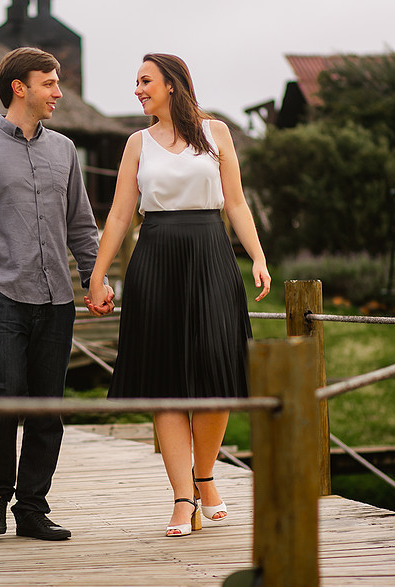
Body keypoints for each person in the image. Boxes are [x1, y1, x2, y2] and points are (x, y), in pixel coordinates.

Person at [85, 53, 271, 537]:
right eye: (136, 82)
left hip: (211, 254)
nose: (137, 89)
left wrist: (258, 257)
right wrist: (98, 276)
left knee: (216, 373)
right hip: (156, 258)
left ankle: (205, 477)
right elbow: (120, 213)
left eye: (145, 80)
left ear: (172, 84)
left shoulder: (217, 133)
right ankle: (182, 497)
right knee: (165, 382)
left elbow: (236, 202)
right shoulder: (137, 143)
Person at [0, 47, 114, 542]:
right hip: (1, 293)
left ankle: (33, 507)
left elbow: (82, 225)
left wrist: (95, 279)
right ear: (20, 87)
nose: (58, 92)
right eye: (50, 83)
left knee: (47, 408)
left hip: (57, 298)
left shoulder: (65, 150)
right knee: (4, 397)